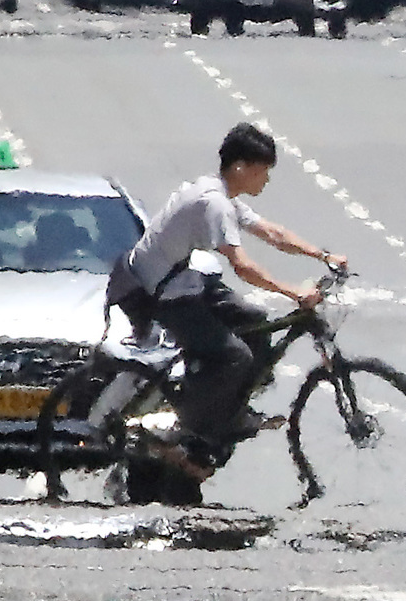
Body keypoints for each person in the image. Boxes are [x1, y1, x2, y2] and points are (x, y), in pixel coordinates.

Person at [124, 124, 345, 474]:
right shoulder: (214, 204)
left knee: (256, 322)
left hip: (185, 280)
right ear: (241, 167)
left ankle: (230, 415)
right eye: (263, 171)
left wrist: (322, 256)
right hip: (162, 292)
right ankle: (191, 431)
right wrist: (292, 291)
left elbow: (273, 233)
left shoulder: (223, 196)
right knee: (234, 356)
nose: (266, 181)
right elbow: (242, 266)